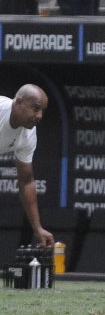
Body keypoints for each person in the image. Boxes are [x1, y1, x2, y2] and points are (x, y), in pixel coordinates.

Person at [2, 85, 52, 247]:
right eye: (36, 109)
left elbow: (26, 182)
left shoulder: (28, 135)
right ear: (19, 103)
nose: (39, 116)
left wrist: (37, 228)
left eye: (42, 111)